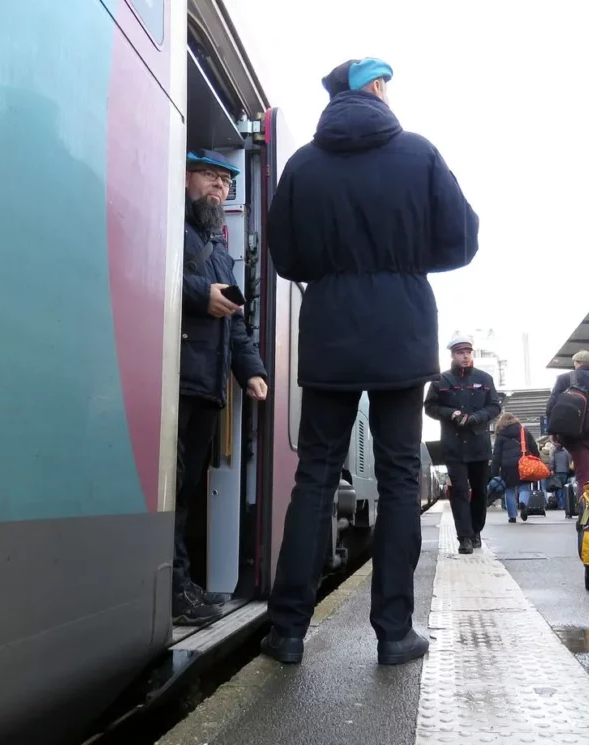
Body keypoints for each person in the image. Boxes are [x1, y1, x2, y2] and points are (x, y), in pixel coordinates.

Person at [260, 57, 479, 666]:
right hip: (401, 332)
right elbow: (461, 240)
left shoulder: (304, 162)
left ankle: (286, 633)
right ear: (377, 89)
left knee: (316, 476)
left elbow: (287, 257)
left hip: (329, 331)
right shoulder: (418, 153)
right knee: (402, 477)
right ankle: (393, 633)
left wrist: (337, 272)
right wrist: (406, 259)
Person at [176, 149, 268, 624]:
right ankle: (175, 590)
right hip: (173, 382)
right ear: (184, 176)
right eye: (210, 176)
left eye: (227, 180)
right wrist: (198, 295)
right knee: (170, 491)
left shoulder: (218, 251)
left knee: (185, 489)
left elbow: (236, 323)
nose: (220, 186)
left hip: (206, 386)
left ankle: (181, 583)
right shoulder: (170, 225)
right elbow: (147, 270)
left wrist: (251, 371)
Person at [424, 334, 502, 553]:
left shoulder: (485, 379)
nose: (465, 356)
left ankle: (476, 530)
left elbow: (495, 407)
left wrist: (477, 417)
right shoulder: (441, 380)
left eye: (468, 352)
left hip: (479, 445)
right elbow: (429, 407)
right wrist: (451, 413)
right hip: (453, 445)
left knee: (479, 491)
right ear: (452, 355)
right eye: (461, 353)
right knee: (459, 491)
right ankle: (464, 538)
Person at [547, 350, 589, 488]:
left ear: (576, 363)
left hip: (574, 433)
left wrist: (552, 432)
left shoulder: (565, 379)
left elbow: (552, 406)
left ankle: (586, 507)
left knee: (583, 473)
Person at [551, 442, 573, 517]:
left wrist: (552, 469)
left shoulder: (554, 453)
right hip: (565, 472)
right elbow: (569, 462)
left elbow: (552, 462)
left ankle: (561, 505)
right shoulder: (566, 452)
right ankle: (565, 504)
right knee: (564, 489)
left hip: (557, 472)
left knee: (558, 489)